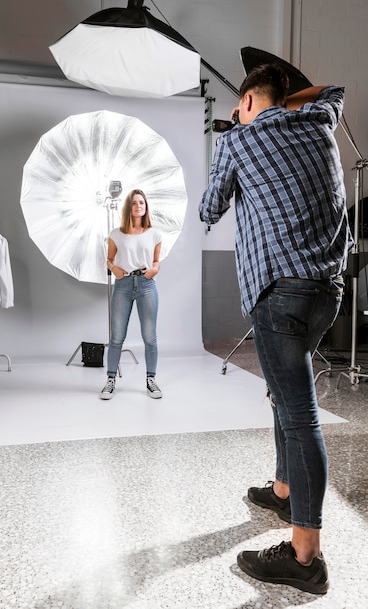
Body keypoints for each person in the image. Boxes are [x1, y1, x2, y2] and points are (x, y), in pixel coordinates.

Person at [199, 63, 351, 595]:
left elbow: (208, 207)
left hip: (278, 294)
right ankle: (285, 491)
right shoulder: (318, 121)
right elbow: (332, 93)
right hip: (326, 295)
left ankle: (305, 556)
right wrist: (287, 102)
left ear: (244, 101)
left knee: (300, 412)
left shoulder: (239, 141)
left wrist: (234, 139)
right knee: (284, 396)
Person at [100, 189, 163, 401]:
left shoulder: (154, 234)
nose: (139, 206)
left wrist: (155, 270)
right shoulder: (116, 234)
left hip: (146, 285)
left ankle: (151, 380)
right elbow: (108, 259)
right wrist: (113, 268)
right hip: (123, 285)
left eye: (142, 203)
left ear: (146, 207)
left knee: (150, 337)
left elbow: (156, 262)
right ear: (129, 206)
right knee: (116, 336)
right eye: (135, 203)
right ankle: (110, 380)